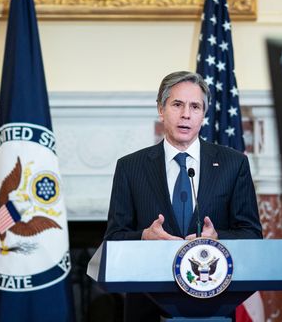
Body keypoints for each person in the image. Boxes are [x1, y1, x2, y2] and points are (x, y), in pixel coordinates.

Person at [103, 71, 263, 321]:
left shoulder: (233, 165)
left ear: (203, 114)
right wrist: (143, 236)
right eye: (177, 104)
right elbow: (112, 240)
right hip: (147, 309)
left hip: (214, 305)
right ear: (161, 109)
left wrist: (218, 237)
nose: (186, 114)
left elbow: (252, 235)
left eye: (195, 106)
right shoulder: (130, 167)